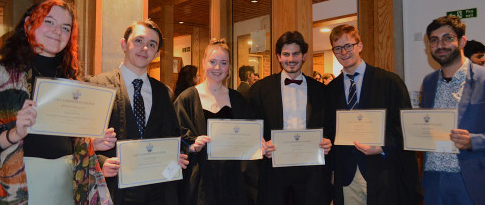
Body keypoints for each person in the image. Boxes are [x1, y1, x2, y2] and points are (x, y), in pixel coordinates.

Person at [0, 0, 115, 204]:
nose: (58, 32)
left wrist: (91, 141)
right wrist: (13, 134)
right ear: (29, 23)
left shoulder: (72, 80)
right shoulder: (2, 76)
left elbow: (65, 140)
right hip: (20, 185)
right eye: (49, 22)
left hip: (67, 183)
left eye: (66, 28)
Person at [85, 20, 189, 204]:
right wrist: (99, 162)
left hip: (156, 192)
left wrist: (175, 159)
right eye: (138, 41)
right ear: (124, 44)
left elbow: (173, 138)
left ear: (156, 54)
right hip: (114, 191)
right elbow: (77, 140)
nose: (144, 48)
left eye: (151, 44)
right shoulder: (98, 85)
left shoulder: (163, 93)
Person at [325, 24, 421, 205]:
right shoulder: (331, 90)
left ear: (359, 46)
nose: (343, 52)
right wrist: (332, 170)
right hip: (346, 175)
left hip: (381, 171)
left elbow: (405, 127)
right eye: (337, 48)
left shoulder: (389, 82)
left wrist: (382, 146)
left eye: (348, 46)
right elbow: (329, 131)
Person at [247, 31, 332, 205]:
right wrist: (261, 144)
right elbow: (251, 129)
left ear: (304, 56)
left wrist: (328, 142)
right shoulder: (260, 90)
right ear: (278, 56)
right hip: (274, 172)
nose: (291, 59)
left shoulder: (321, 90)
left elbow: (330, 126)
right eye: (286, 54)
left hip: (311, 174)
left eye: (296, 54)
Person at [174, 38, 257, 205]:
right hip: (200, 181)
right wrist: (191, 145)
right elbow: (172, 135)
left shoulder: (238, 100)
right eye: (213, 62)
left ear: (229, 68)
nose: (218, 68)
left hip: (233, 180)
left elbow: (249, 138)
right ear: (204, 63)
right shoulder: (187, 99)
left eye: (223, 63)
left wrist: (257, 142)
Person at [421, 15, 485, 205]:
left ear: (462, 41)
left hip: (471, 181)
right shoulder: (428, 82)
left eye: (448, 38)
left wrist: (473, 141)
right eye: (434, 40)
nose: (440, 45)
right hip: (434, 180)